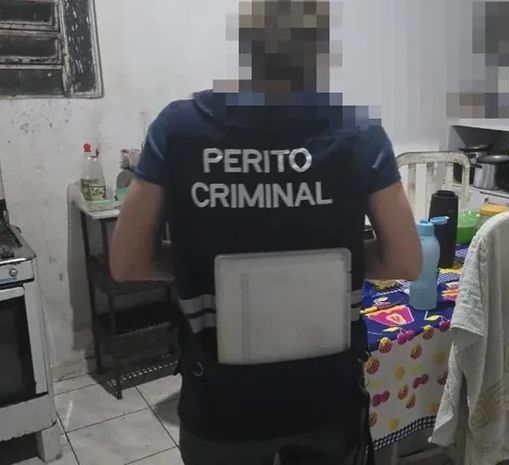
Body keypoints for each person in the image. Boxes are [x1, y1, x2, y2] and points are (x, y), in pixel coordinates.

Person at [108, 1, 422, 464]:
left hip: (221, 403)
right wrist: (331, 266)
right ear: (319, 47)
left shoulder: (178, 127)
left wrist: (208, 269)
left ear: (246, 41)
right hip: (326, 399)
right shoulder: (360, 133)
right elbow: (405, 261)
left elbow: (128, 262)